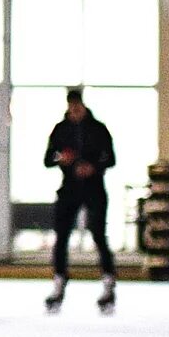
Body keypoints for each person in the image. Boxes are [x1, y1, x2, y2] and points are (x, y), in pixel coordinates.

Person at [44, 88, 118, 314]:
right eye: (71, 108)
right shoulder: (61, 130)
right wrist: (61, 158)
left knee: (97, 234)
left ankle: (108, 282)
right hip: (69, 189)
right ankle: (59, 280)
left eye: (77, 107)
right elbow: (48, 158)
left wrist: (93, 167)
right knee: (62, 236)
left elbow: (111, 158)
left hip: (94, 188)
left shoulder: (98, 129)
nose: (74, 111)